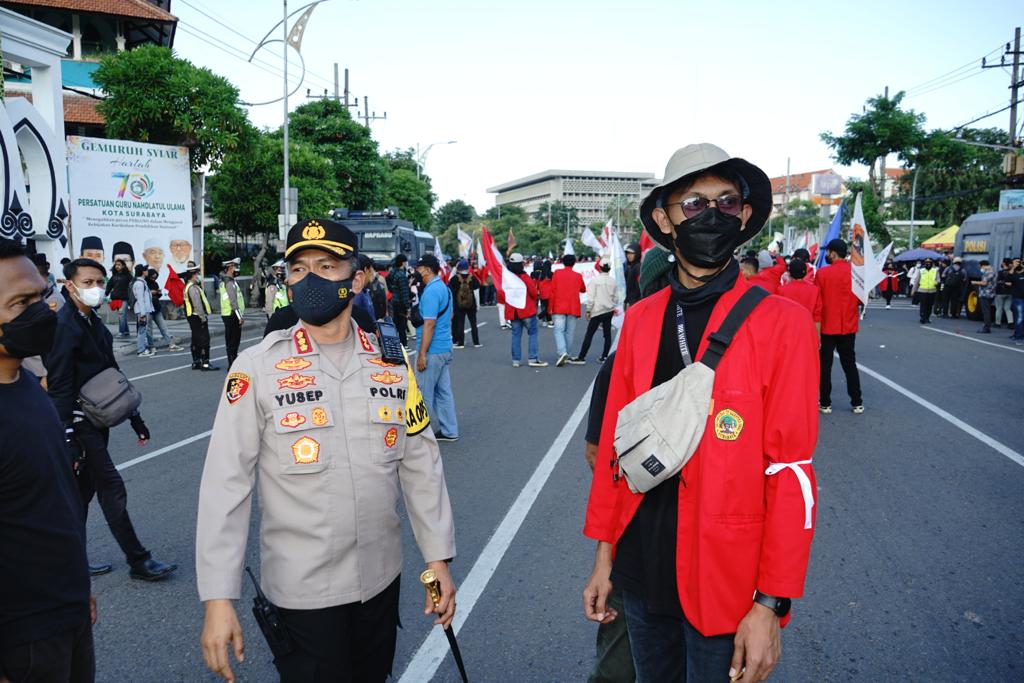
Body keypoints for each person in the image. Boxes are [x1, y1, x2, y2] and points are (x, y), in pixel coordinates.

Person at [583, 143, 818, 683]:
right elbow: (616, 454)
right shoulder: (640, 320)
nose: (712, 215)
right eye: (694, 204)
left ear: (745, 217)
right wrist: (604, 559)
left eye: (726, 202)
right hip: (640, 574)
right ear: (665, 220)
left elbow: (792, 474)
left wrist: (770, 604)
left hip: (727, 584)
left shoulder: (782, 324)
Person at [196, 219, 456, 682]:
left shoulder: (390, 364)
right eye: (298, 269)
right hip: (303, 593)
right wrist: (219, 599)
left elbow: (421, 466)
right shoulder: (257, 368)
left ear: (356, 278)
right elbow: (225, 485)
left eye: (326, 265)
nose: (309, 278)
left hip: (380, 581)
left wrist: (437, 563)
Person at [44, 258, 178, 581]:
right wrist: (68, 438)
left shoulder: (94, 324)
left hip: (98, 419)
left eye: (99, 282)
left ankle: (68, 561)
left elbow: (112, 376)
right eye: (87, 282)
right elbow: (59, 386)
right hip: (80, 424)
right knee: (111, 486)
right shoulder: (64, 327)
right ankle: (138, 560)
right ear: (69, 286)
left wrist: (135, 416)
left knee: (83, 493)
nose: (96, 289)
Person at [0, 239, 96, 683]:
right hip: (21, 638)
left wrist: (79, 589)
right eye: (22, 302)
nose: (44, 311)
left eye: (41, 295)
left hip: (65, 612)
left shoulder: (27, 385)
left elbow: (53, 501)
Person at [414, 254, 459, 441]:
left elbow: (429, 324)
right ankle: (450, 431)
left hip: (432, 350)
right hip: (444, 346)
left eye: (419, 267)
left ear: (427, 269)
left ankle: (421, 436)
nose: (416, 270)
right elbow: (450, 315)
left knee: (423, 393)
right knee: (443, 392)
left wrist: (422, 354)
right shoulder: (444, 288)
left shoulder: (432, 291)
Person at [816, 239, 864, 414]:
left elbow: (817, 302)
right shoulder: (855, 273)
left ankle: (825, 403)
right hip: (849, 325)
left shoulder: (822, 274)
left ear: (833, 253)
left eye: (828, 252)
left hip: (828, 326)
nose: (827, 255)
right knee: (850, 364)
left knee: (825, 366)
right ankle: (857, 401)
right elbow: (860, 300)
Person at [570, 257, 619, 365]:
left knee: (589, 334)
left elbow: (591, 298)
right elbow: (616, 298)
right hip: (608, 310)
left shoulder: (594, 281)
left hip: (597, 311)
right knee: (607, 335)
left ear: (600, 268)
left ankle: (582, 357)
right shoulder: (613, 281)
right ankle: (605, 356)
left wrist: (588, 311)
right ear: (609, 268)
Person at [505, 252, 547, 367]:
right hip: (526, 309)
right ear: (521, 264)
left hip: (512, 310)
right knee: (532, 333)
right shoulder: (524, 277)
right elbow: (533, 292)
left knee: (516, 335)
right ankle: (533, 358)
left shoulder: (506, 277)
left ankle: (516, 360)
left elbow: (501, 292)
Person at [550, 254, 587, 367]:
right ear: (574, 263)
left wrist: (550, 308)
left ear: (563, 262)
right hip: (572, 306)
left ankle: (562, 352)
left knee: (559, 330)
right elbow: (583, 289)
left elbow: (552, 290)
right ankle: (567, 354)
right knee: (569, 332)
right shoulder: (577, 275)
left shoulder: (557, 273)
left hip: (559, 305)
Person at [184, 262, 218, 371]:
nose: (198, 275)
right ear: (193, 275)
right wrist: (203, 318)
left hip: (192, 317)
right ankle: (205, 363)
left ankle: (196, 361)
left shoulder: (190, 286)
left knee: (195, 339)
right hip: (197, 317)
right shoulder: (193, 288)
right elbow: (197, 305)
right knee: (204, 340)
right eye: (197, 273)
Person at [778, 258, 822, 333]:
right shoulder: (815, 290)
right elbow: (817, 317)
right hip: (807, 330)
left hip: (787, 330)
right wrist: (817, 338)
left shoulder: (781, 290)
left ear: (789, 273)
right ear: (805, 273)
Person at [145, 268, 183, 352]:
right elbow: (143, 294)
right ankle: (151, 346)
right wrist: (151, 292)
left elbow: (157, 296)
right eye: (152, 277)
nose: (153, 279)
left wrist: (158, 293)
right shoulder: (145, 283)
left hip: (157, 308)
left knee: (163, 328)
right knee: (149, 329)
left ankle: (171, 344)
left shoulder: (155, 283)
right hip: (148, 309)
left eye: (155, 277)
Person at [218, 257, 245, 367]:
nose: (237, 269)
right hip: (231, 315)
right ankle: (232, 365)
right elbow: (233, 301)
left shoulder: (230, 281)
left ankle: (233, 363)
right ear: (230, 268)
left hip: (230, 314)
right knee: (233, 341)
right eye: (235, 267)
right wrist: (239, 317)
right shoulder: (229, 282)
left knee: (233, 341)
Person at [449, 259, 481, 349]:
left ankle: (461, 343)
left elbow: (450, 290)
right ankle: (476, 342)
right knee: (473, 323)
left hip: (458, 305)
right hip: (472, 304)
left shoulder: (454, 279)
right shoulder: (473, 277)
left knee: (460, 323)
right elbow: (476, 293)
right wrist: (478, 305)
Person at [386, 254, 412, 347]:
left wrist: (392, 290)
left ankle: (394, 344)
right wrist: (408, 307)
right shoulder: (401, 275)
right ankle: (403, 344)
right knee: (402, 325)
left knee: (395, 324)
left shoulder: (392, 272)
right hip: (401, 303)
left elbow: (387, 280)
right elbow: (405, 293)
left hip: (394, 301)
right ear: (403, 263)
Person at [132, 264, 156, 357]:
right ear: (142, 272)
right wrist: (142, 313)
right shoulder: (139, 284)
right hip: (142, 311)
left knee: (143, 330)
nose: (147, 271)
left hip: (144, 310)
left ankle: (142, 349)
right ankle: (141, 350)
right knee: (142, 330)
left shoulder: (142, 282)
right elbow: (140, 299)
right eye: (145, 270)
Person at [105, 259, 133, 338]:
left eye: (119, 265)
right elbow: (109, 286)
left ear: (123, 266)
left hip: (124, 298)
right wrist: (106, 293)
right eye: (116, 265)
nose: (117, 266)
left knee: (121, 314)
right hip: (116, 298)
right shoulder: (114, 276)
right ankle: (126, 331)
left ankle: (122, 332)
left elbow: (133, 286)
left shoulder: (128, 276)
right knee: (122, 315)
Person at [970, 260, 996, 334]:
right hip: (991, 293)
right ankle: (987, 326)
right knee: (988, 310)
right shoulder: (993, 270)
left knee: (986, 311)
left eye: (980, 266)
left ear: (983, 265)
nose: (981, 268)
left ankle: (986, 327)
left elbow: (984, 283)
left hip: (985, 294)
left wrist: (975, 282)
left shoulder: (987, 272)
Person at [912, 257, 939, 324]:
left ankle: (927, 318)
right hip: (922, 291)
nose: (928, 264)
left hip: (932, 291)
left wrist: (935, 283)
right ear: (925, 263)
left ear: (932, 263)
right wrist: (913, 290)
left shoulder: (935, 271)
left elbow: (938, 280)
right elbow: (917, 281)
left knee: (929, 306)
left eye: (929, 263)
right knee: (923, 305)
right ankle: (922, 317)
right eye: (927, 262)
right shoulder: (921, 271)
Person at [994, 258, 1014, 329]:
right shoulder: (1012, 272)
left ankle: (997, 323)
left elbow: (998, 282)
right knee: (1008, 308)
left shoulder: (1001, 272)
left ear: (1004, 263)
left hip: (1000, 293)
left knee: (999, 308)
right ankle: (1010, 323)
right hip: (1010, 293)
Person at [1009, 257, 1024, 345]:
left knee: (1020, 318)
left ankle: (1017, 335)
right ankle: (1019, 337)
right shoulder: (1014, 274)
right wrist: (1013, 267)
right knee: (1019, 318)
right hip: (1018, 299)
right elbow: (1007, 279)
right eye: (1016, 262)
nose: (1018, 263)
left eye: (1019, 262)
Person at [624, 243, 642, 307]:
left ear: (637, 253)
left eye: (631, 253)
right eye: (628, 253)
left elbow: (640, 287)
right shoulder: (630, 267)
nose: (629, 255)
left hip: (636, 303)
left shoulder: (638, 267)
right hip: (631, 302)